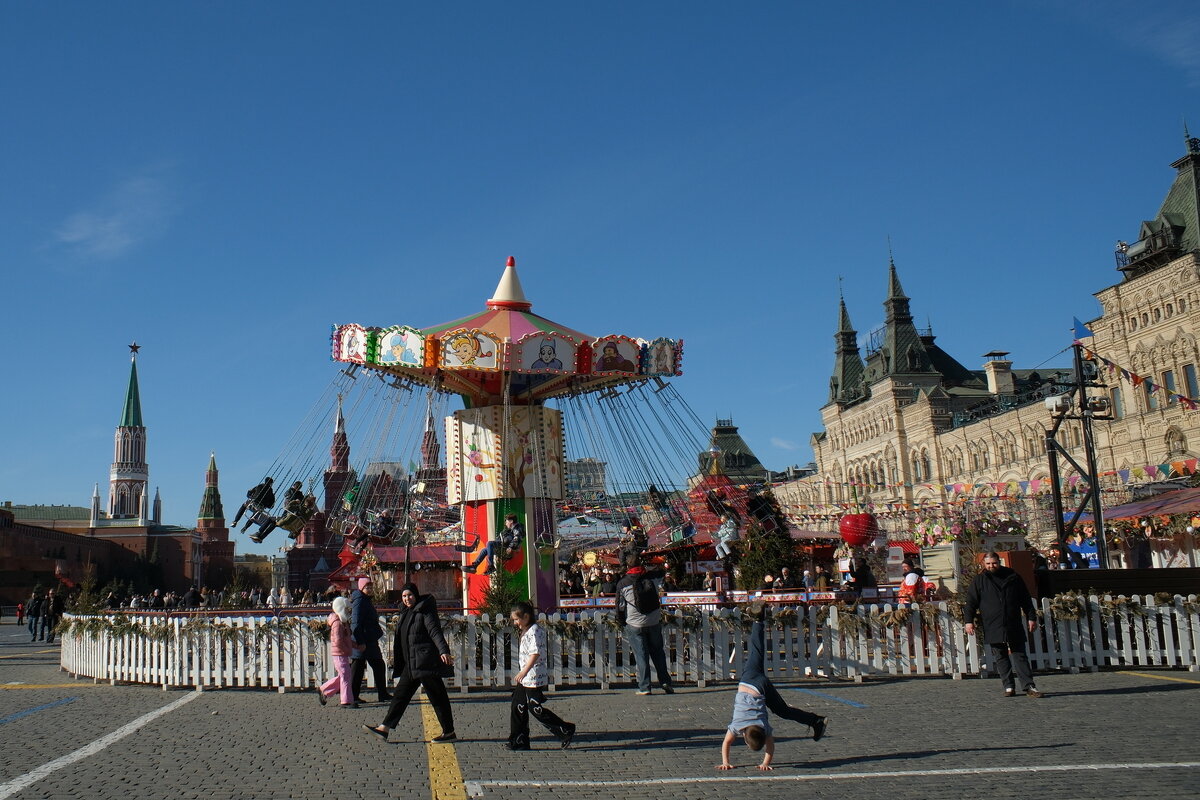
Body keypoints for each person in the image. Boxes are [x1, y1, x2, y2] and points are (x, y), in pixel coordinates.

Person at [717, 602, 827, 771]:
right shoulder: (738, 725)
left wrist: (765, 763)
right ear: (744, 737)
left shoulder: (763, 726)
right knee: (755, 651)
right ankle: (758, 620)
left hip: (759, 687)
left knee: (783, 710)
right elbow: (726, 743)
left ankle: (816, 721)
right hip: (746, 681)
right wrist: (726, 762)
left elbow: (770, 746)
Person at [363, 583, 456, 742]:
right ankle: (384, 728)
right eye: (404, 596)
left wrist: (443, 650)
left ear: (416, 595)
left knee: (438, 697)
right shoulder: (406, 612)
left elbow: (434, 631)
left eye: (410, 595)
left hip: (424, 662)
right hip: (411, 664)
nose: (407, 599)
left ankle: (449, 732)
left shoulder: (424, 610)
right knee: (400, 696)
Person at [963, 552, 1044, 698]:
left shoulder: (1013, 577)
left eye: (994, 563)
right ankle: (1008, 686)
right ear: (984, 564)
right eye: (988, 564)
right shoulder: (979, 580)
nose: (991, 566)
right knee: (1000, 656)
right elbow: (971, 602)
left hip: (1012, 621)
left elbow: (1025, 599)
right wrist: (969, 621)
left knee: (1020, 655)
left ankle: (1029, 686)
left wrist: (1031, 617)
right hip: (992, 623)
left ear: (999, 562)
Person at [506, 600, 576, 750]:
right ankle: (519, 740)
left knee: (535, 708)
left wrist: (523, 671)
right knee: (518, 706)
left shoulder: (535, 630)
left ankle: (564, 729)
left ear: (526, 616)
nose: (515, 623)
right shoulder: (526, 630)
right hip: (525, 677)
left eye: (517, 619)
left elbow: (535, 653)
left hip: (533, 676)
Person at [615, 555, 674, 696]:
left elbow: (620, 607)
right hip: (653, 621)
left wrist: (622, 621)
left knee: (641, 655)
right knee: (658, 653)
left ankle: (645, 686)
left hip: (634, 622)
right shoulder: (652, 578)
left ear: (627, 567)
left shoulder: (623, 583)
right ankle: (665, 682)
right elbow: (662, 571)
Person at [350, 577, 393, 704]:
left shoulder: (365, 600)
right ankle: (354, 696)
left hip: (369, 639)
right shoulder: (360, 601)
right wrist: (360, 641)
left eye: (370, 587)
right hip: (363, 640)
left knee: (375, 666)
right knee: (358, 669)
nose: (369, 589)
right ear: (361, 588)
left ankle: (381, 693)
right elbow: (355, 622)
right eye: (367, 587)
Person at [318, 596, 358, 708]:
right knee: (345, 676)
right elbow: (338, 640)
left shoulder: (341, 622)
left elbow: (345, 639)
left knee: (344, 675)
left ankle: (324, 689)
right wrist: (347, 648)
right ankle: (346, 700)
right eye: (346, 609)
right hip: (340, 653)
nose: (348, 611)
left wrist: (355, 646)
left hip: (341, 652)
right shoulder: (338, 623)